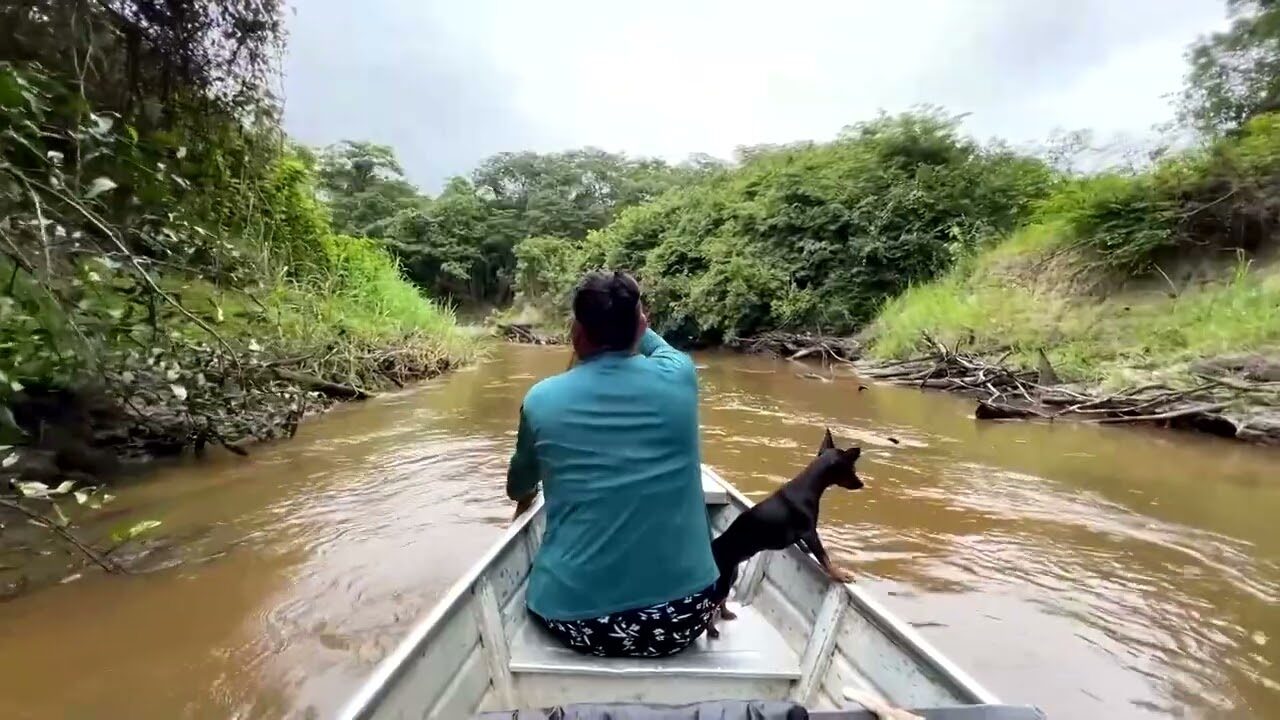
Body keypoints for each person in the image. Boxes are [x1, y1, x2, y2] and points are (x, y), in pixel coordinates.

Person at [506, 270, 720, 658]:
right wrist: (628, 310)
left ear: (577, 331)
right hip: (685, 616)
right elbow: (647, 339)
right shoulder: (680, 374)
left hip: (578, 622)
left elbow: (518, 487)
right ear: (641, 323)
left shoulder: (540, 399)